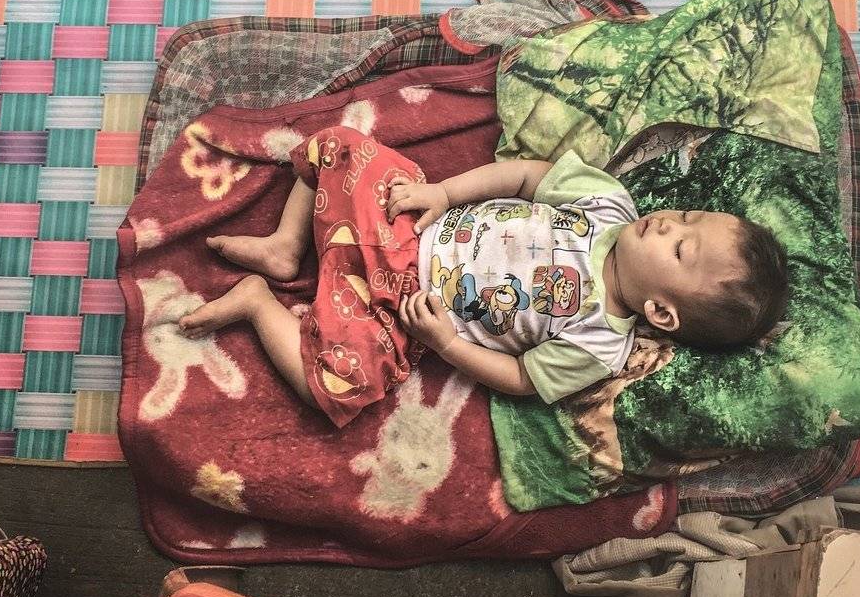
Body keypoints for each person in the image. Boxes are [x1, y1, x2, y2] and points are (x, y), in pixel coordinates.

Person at [179, 126, 789, 427]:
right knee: (339, 145)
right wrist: (443, 192)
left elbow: (522, 378)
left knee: (342, 387)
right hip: (408, 222)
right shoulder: (609, 204)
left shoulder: (600, 344)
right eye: (687, 217)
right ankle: (287, 247)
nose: (669, 224)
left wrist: (446, 343)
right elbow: (524, 177)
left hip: (400, 312)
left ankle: (257, 303)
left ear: (660, 312)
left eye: (680, 248)